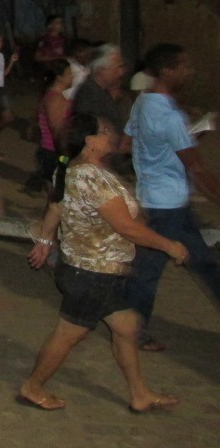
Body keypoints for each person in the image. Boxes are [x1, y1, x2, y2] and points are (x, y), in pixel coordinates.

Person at [22, 113, 188, 413]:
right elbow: (126, 227)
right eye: (105, 131)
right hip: (91, 273)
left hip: (92, 269)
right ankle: (33, 386)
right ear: (90, 141)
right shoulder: (91, 177)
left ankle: (140, 394)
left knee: (126, 325)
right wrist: (169, 246)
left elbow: (56, 208)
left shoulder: (74, 168)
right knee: (68, 334)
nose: (111, 133)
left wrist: (45, 242)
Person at [123, 44, 220, 352]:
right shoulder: (168, 115)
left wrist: (188, 136)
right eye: (184, 67)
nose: (189, 72)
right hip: (167, 205)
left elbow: (128, 143)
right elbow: (198, 168)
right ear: (167, 70)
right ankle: (132, 330)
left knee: (204, 262)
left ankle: (131, 325)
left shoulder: (142, 103)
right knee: (149, 270)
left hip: (159, 198)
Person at [33, 60, 73, 199]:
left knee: (56, 198)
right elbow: (56, 129)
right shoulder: (55, 99)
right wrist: (66, 154)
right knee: (57, 197)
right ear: (59, 77)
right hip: (54, 152)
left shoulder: (55, 96)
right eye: (69, 73)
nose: (73, 76)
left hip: (52, 152)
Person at [72, 44, 127, 133]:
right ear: (100, 70)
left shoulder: (104, 91)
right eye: (117, 68)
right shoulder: (88, 96)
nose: (122, 72)